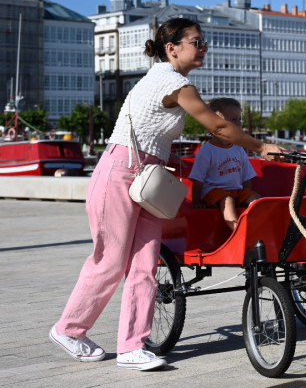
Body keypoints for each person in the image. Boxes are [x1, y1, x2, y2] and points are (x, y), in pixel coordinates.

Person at [50, 19, 284, 371]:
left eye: (204, 41)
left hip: (148, 176)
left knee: (146, 264)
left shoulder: (172, 80)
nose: (203, 46)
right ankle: (69, 329)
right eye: (196, 41)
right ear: (172, 48)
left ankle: (131, 346)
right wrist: (260, 146)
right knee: (110, 260)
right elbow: (218, 126)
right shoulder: (173, 82)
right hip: (119, 171)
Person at [189, 97, 260, 230]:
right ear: (216, 124)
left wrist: (247, 195)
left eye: (240, 119)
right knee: (227, 199)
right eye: (234, 120)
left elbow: (246, 177)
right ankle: (237, 230)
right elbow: (198, 180)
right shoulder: (207, 151)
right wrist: (197, 202)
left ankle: (257, 227)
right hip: (213, 192)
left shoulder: (239, 148)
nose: (239, 123)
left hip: (236, 191)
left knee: (256, 199)